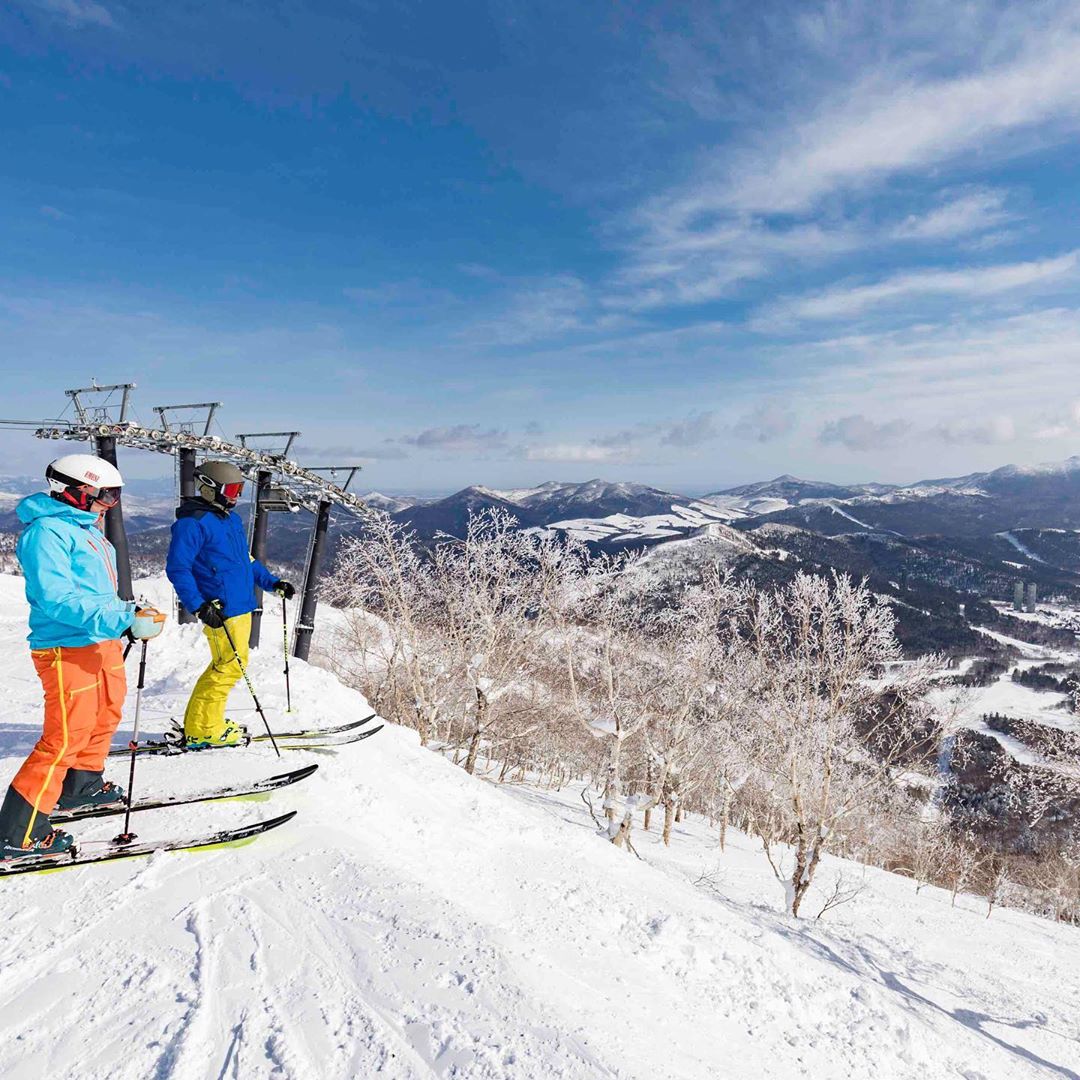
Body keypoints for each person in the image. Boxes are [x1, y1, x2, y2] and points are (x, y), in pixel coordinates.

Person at [0, 454, 166, 859]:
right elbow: (56, 600)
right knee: (64, 736)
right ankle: (16, 832)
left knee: (107, 711)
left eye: (115, 497)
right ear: (75, 491)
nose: (109, 504)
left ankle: (81, 787)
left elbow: (96, 593)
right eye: (104, 496)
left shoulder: (87, 530)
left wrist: (129, 614)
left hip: (99, 640)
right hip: (66, 647)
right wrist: (122, 618)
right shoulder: (47, 534)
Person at [166, 460, 295, 749]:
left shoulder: (229, 519)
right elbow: (178, 569)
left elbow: (244, 561)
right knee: (228, 668)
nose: (236, 495)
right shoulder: (192, 523)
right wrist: (199, 606)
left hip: (241, 605)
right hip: (221, 609)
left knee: (226, 666)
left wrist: (272, 583)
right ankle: (204, 731)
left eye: (240, 489)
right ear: (210, 489)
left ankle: (201, 724)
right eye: (231, 489)